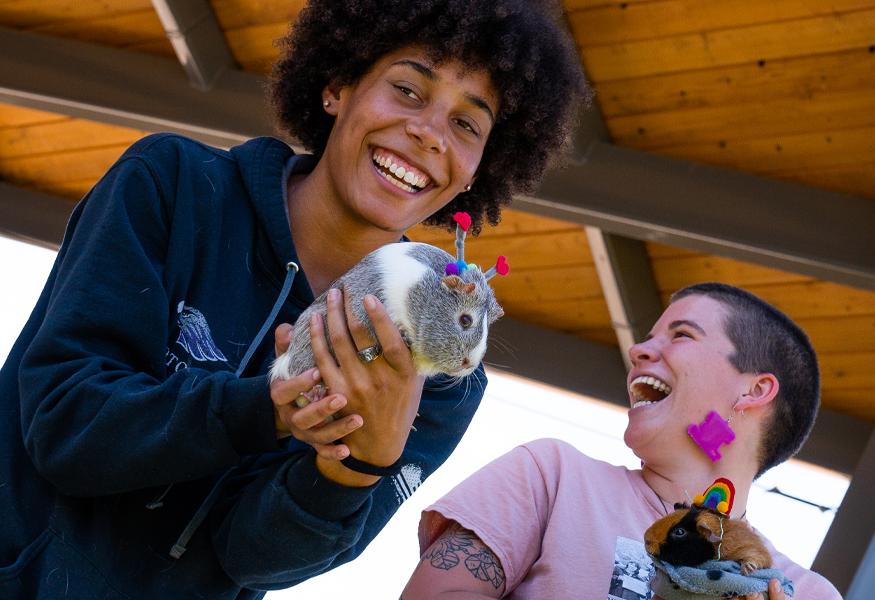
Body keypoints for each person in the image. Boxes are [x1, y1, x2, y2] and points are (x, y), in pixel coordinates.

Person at [0, 1, 588, 597]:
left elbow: (255, 560)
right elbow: (64, 426)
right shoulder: (174, 186)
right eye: (409, 90)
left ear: (476, 173)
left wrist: (357, 468)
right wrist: (269, 409)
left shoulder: (437, 373)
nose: (430, 133)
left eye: (468, 124)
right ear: (336, 87)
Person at [403, 283, 843, 599]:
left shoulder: (805, 593)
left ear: (754, 391)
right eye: (649, 337)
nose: (639, 350)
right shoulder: (552, 475)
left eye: (682, 335)